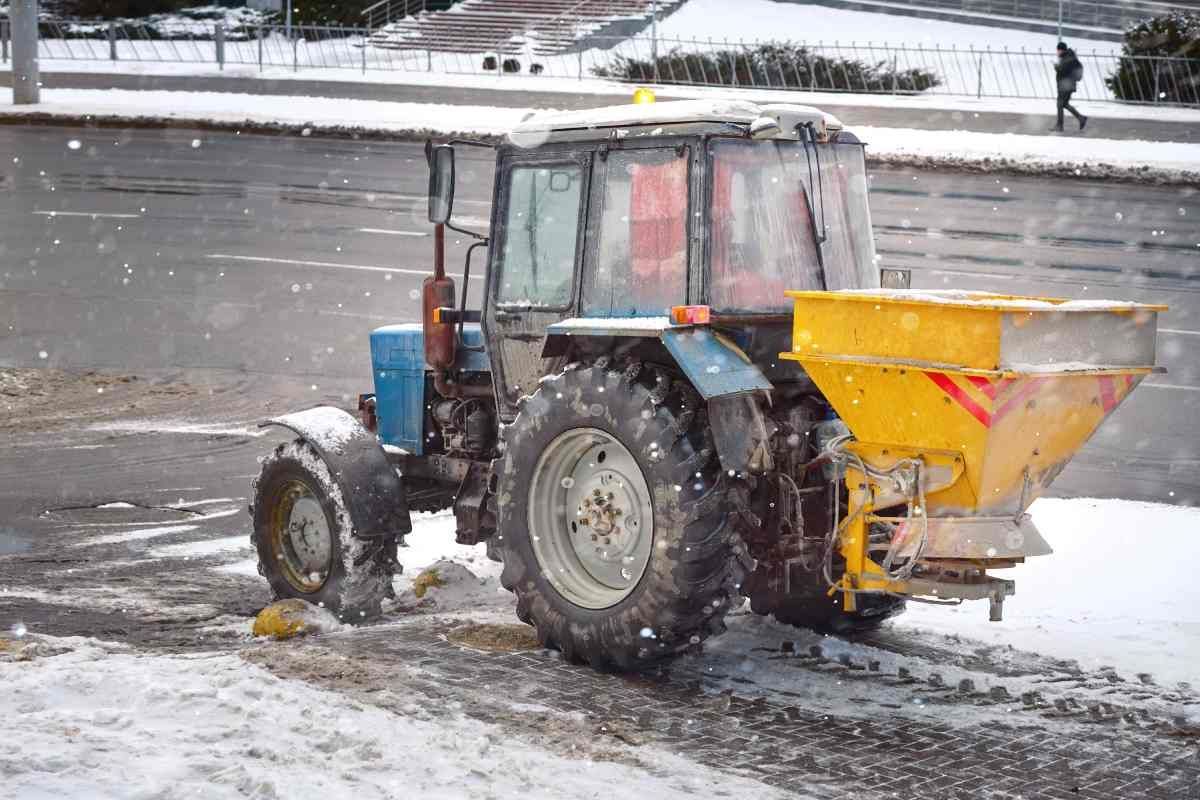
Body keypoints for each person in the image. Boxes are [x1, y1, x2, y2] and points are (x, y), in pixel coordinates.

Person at [1054, 42, 1088, 132]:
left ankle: (1059, 126)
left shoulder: (1067, 58)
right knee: (1063, 104)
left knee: (1060, 104)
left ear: (1061, 50)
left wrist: (1057, 68)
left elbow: (1064, 70)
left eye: (1058, 50)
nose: (1057, 52)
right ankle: (1081, 118)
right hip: (1067, 85)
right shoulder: (1068, 56)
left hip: (1066, 85)